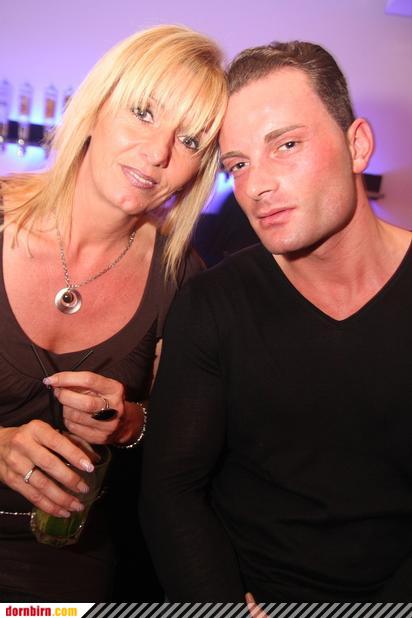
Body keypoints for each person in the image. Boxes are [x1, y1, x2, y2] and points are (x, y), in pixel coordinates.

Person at [140, 40, 412, 601]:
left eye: (286, 145)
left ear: (357, 145)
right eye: (238, 165)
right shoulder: (213, 302)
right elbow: (171, 490)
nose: (257, 186)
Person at [0, 24, 227, 601]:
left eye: (191, 141)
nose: (158, 154)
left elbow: (189, 445)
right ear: (96, 106)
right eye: (144, 113)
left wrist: (130, 423)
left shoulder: (183, 281)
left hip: (60, 566)